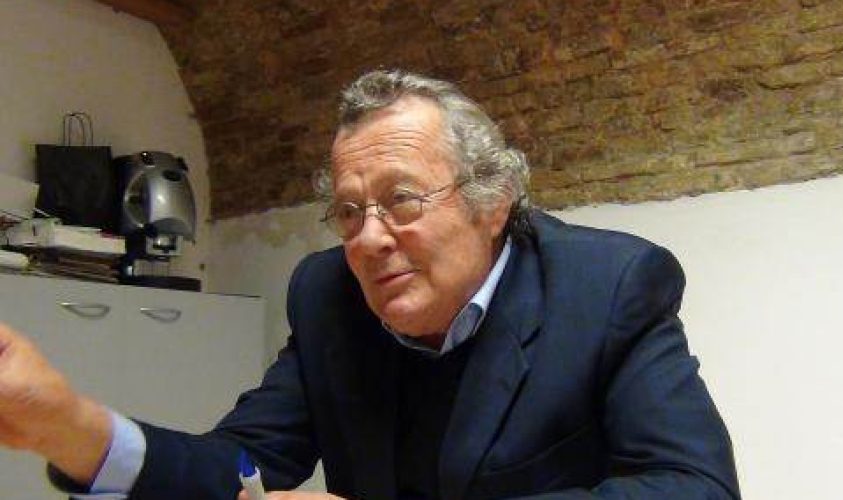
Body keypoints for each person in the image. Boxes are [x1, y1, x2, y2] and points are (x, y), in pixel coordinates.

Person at [0, 69, 740, 499]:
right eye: (350, 212)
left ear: (492, 203)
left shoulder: (608, 286)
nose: (369, 239)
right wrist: (76, 429)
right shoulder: (328, 295)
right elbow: (244, 468)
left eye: (401, 201)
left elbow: (694, 488)